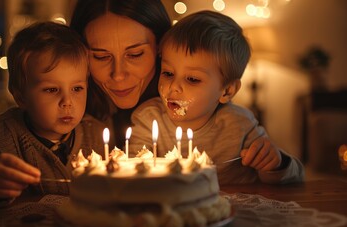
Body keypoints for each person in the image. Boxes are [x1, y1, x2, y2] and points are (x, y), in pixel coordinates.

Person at [69, 0, 284, 171]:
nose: (118, 75)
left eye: (135, 54)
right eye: (100, 56)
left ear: (160, 49)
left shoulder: (234, 122)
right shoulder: (72, 117)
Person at [128, 10, 305, 184]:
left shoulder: (239, 124)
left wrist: (275, 163)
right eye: (167, 73)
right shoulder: (148, 119)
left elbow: (295, 177)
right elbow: (131, 173)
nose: (173, 86)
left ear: (227, 91)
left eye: (192, 79)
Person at [0, 21, 106, 208]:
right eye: (52, 90)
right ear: (21, 96)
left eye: (77, 88)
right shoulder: (1, 137)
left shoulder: (98, 135)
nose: (67, 101)